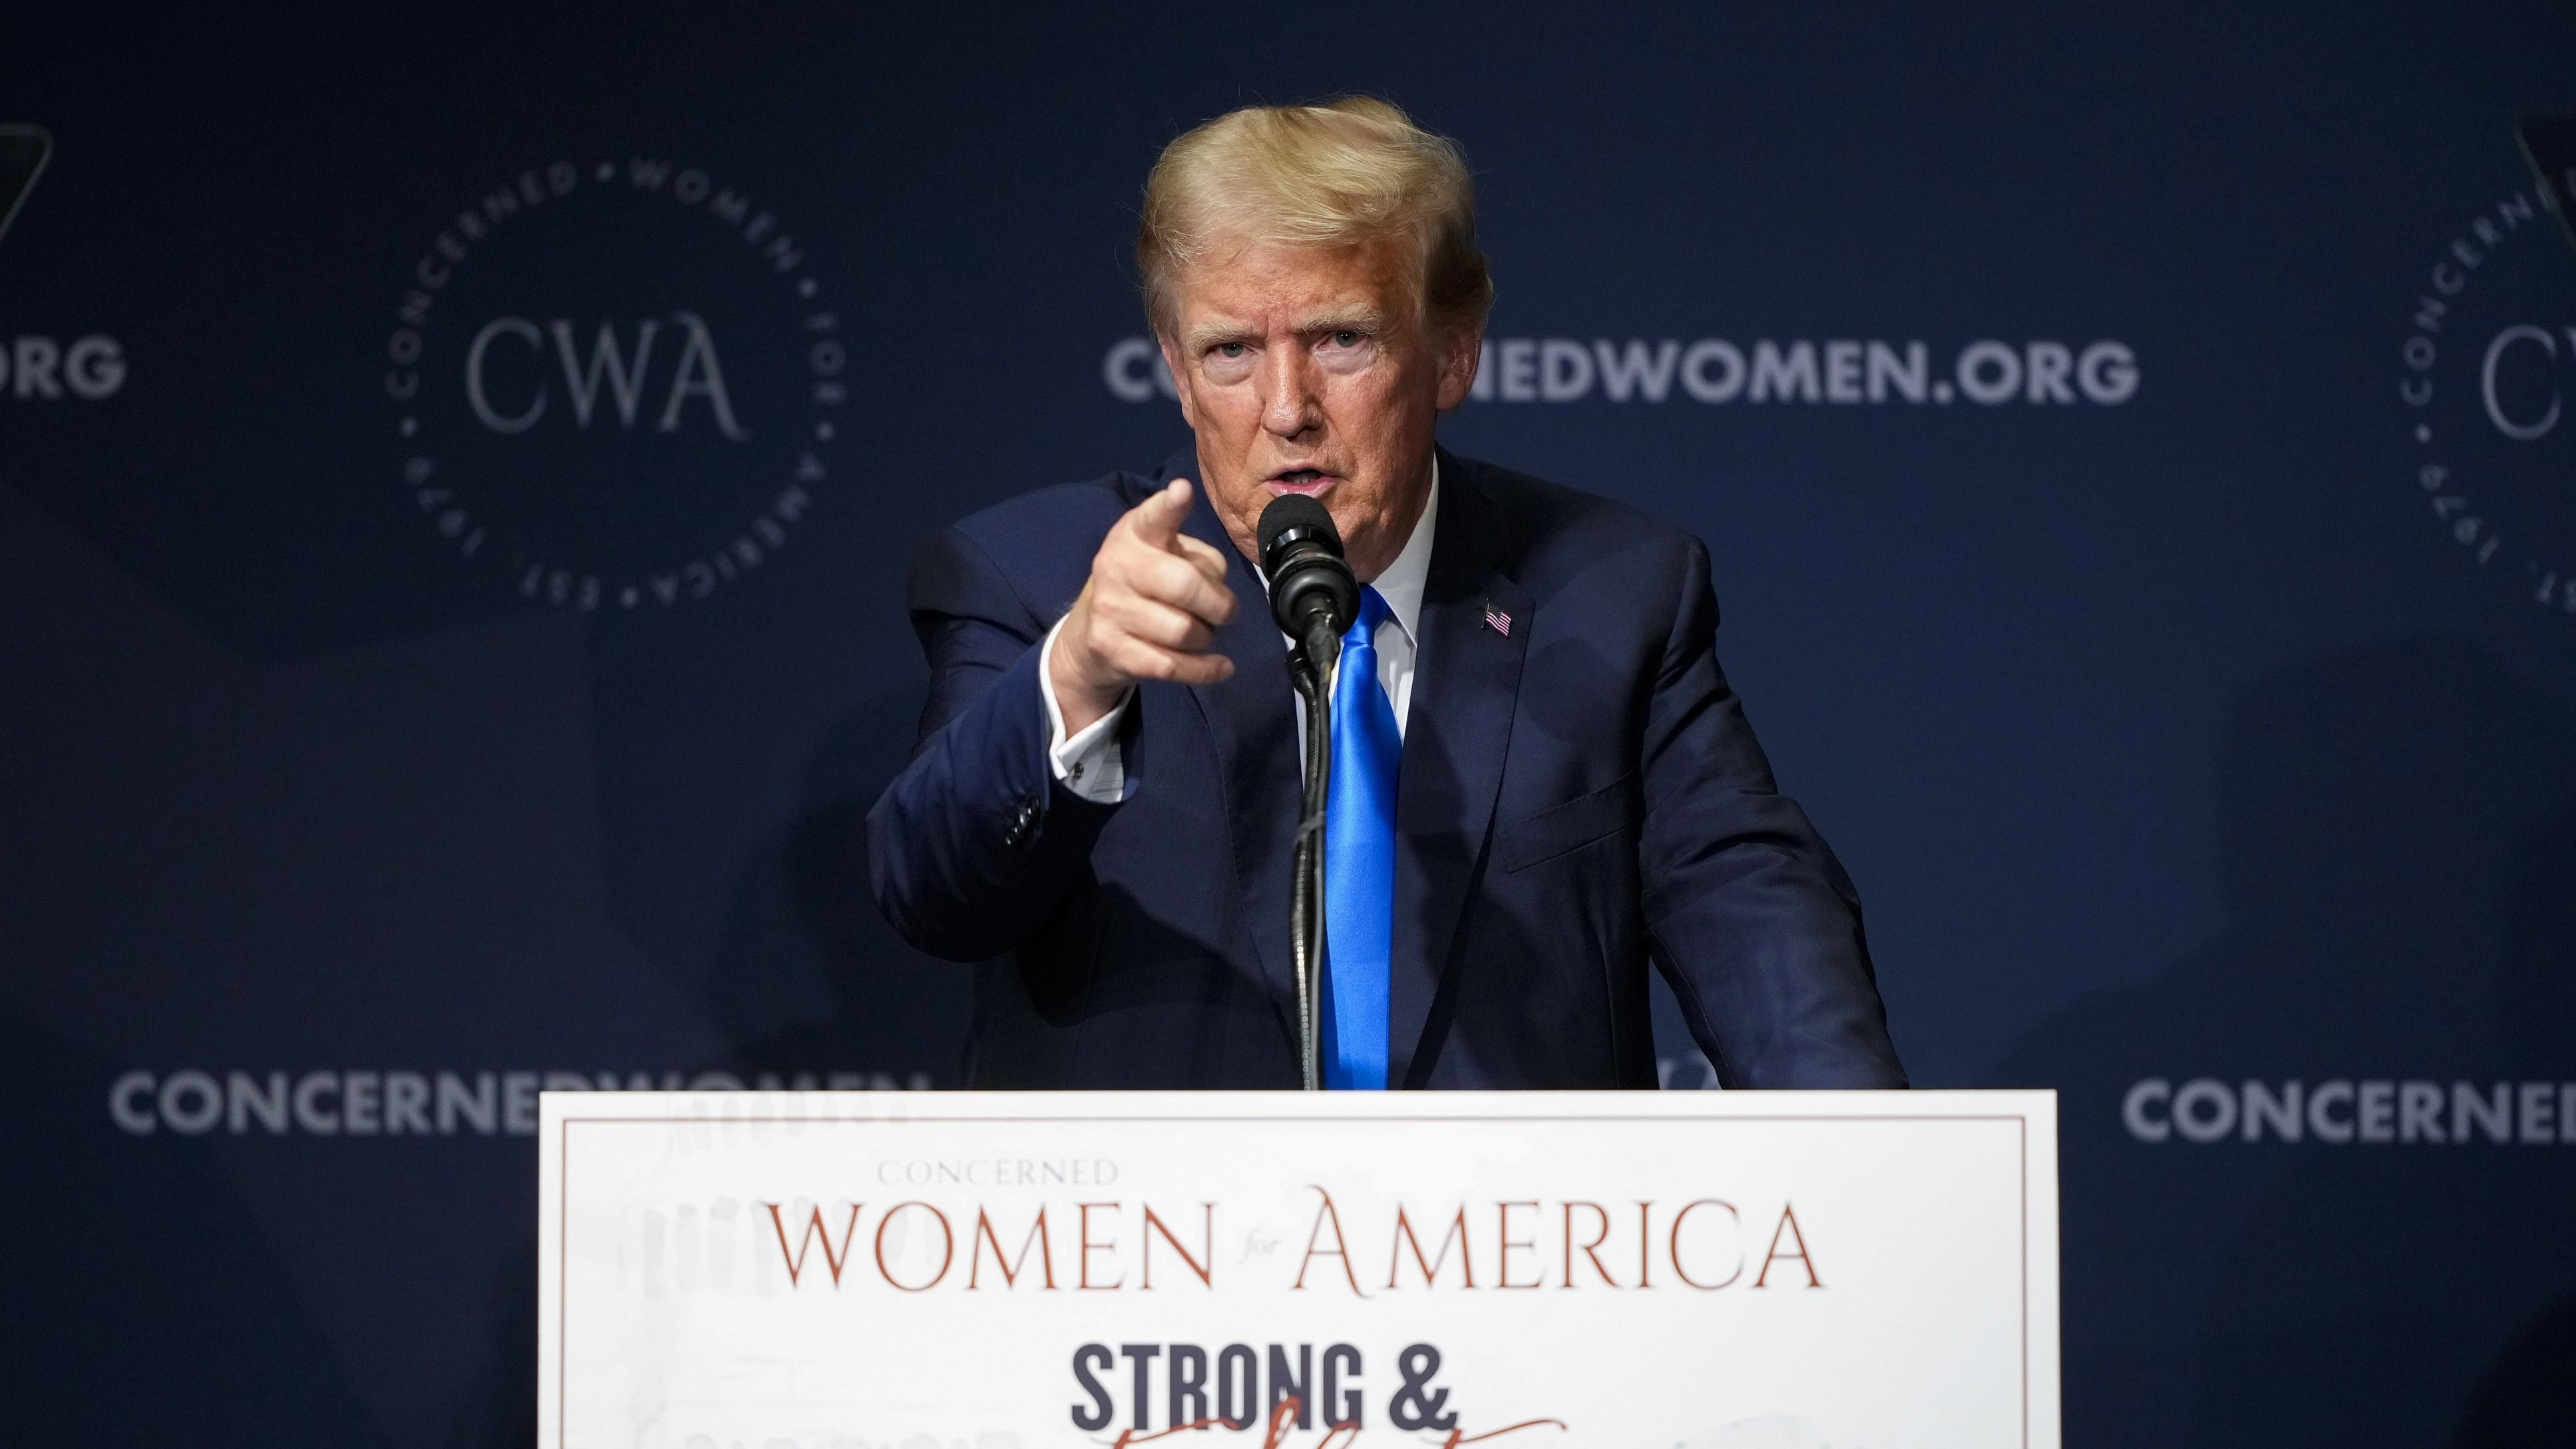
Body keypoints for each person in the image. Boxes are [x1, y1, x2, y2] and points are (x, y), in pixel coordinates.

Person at [866, 97, 1903, 1090]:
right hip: (1162, 1257)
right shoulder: (1038, 580)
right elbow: (931, 890)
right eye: (1231, 352)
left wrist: (1863, 1158)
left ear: (1453, 350)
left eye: (1340, 339)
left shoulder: (1616, 594)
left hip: (1502, 1253)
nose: (1286, 408)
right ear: (1178, 373)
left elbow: (1755, 910)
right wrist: (1079, 673)